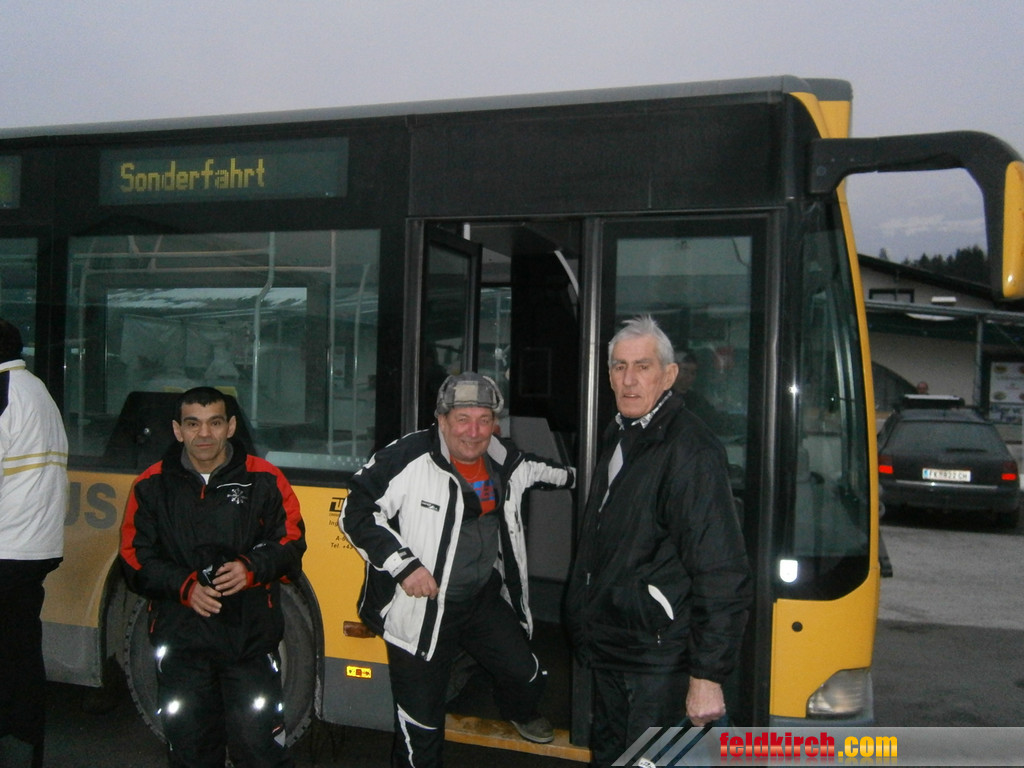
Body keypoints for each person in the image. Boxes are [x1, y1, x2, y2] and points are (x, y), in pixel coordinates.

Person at [341, 372, 575, 768]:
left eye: (484, 420)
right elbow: (356, 511)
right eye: (463, 419)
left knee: (528, 676)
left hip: (480, 599)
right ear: (442, 420)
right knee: (422, 725)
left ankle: (518, 710)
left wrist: (599, 477)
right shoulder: (409, 457)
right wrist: (404, 566)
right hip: (423, 610)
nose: (474, 431)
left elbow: (550, 473)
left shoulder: (503, 459)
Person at [566, 316, 751, 768]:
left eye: (642, 366)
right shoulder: (622, 434)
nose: (629, 379)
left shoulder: (689, 449)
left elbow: (721, 570)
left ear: (668, 376)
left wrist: (707, 676)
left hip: (657, 664)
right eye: (619, 366)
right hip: (614, 652)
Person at [119, 386, 306, 768]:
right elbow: (134, 559)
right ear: (177, 430)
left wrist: (250, 569)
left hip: (249, 646)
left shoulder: (265, 479)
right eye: (193, 424)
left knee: (259, 752)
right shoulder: (150, 485)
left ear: (230, 427)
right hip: (182, 646)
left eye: (215, 423)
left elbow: (291, 542)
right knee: (190, 755)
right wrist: (185, 587)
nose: (204, 434)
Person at [0, 319, 68, 768]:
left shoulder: (3, 391)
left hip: (5, 546)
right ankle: (25, 749)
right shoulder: (38, 390)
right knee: (21, 654)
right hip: (36, 545)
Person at [672, 349, 722, 430]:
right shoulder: (660, 397)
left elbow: (713, 418)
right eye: (685, 371)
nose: (689, 377)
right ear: (673, 371)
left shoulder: (697, 400)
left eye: (693, 373)